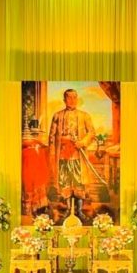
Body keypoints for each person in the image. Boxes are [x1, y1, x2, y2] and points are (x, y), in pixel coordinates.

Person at [48, 88, 97, 220]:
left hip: (78, 155)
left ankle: (79, 211)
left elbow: (91, 133)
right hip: (63, 155)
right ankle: (68, 210)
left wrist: (82, 142)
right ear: (64, 100)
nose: (72, 100)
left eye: (74, 97)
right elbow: (51, 136)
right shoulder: (57, 116)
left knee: (79, 182)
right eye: (69, 97)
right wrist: (58, 145)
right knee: (65, 182)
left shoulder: (85, 116)